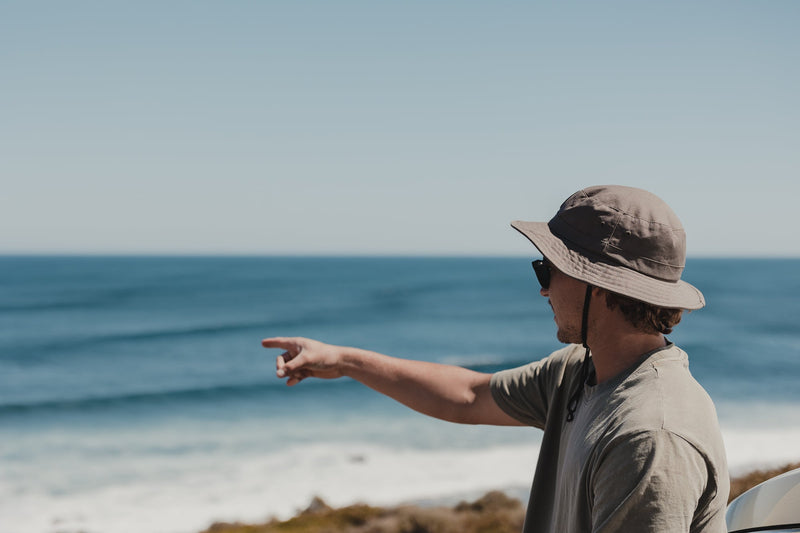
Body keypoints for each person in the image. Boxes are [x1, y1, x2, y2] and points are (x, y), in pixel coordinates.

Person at [262, 185, 729, 533]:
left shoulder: (649, 437)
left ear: (599, 286)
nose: (543, 288)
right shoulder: (579, 371)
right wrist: (343, 360)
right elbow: (468, 397)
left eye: (548, 269)